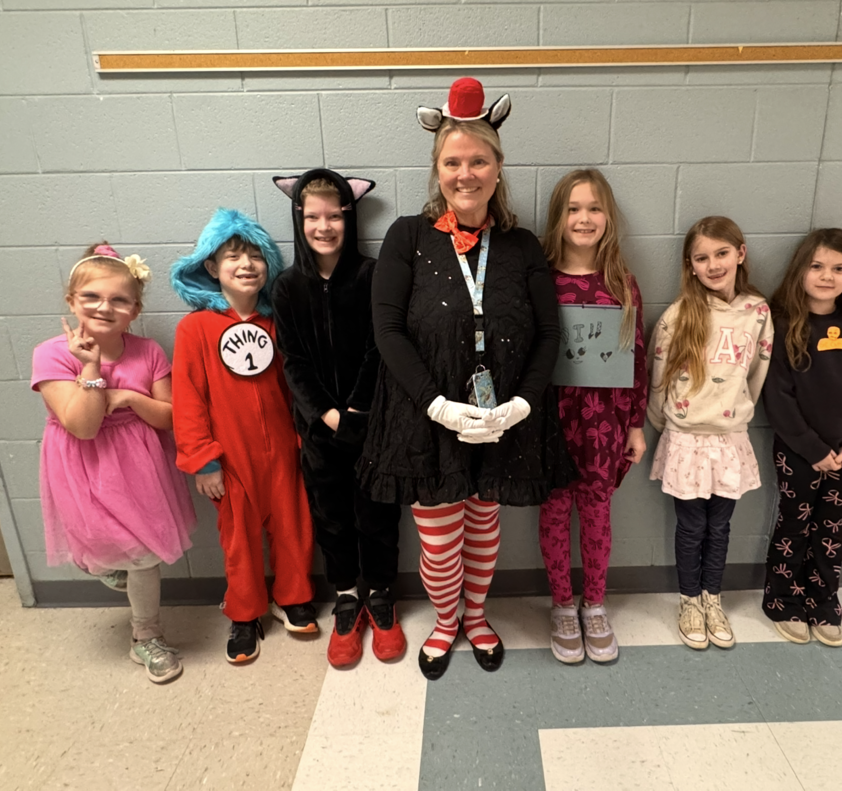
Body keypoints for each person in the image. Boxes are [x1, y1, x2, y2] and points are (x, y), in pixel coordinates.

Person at [357, 77, 575, 680]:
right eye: (453, 161)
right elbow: (388, 332)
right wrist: (438, 406)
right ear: (438, 169)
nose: (466, 173)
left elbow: (548, 335)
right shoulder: (406, 237)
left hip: (502, 417)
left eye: (479, 160)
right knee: (438, 535)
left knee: (484, 521)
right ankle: (445, 620)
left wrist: (523, 406)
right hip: (428, 419)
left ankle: (476, 616)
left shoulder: (522, 244)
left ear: (498, 168)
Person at [31, 243, 196, 683]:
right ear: (71, 301)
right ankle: (104, 566)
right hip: (83, 465)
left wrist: (127, 397)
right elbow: (82, 426)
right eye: (91, 297)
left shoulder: (149, 353)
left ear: (135, 309)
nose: (105, 307)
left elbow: (171, 417)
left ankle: (146, 637)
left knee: (143, 556)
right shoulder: (51, 354)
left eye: (119, 299)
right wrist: (91, 368)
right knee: (97, 549)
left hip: (139, 466)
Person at [271, 169, 405, 668]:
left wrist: (357, 412)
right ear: (299, 219)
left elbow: (379, 348)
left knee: (378, 516)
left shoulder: (371, 276)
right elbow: (294, 362)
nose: (323, 226)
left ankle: (382, 597)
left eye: (334, 216)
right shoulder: (287, 287)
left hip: (373, 427)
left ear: (349, 217)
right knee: (333, 519)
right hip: (319, 432)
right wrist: (327, 417)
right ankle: (347, 597)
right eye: (312, 217)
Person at [170, 208, 316, 664]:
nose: (246, 264)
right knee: (239, 538)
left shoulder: (278, 323)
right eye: (233, 256)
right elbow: (188, 398)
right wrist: (203, 460)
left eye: (255, 254)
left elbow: (295, 386)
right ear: (211, 267)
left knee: (294, 527)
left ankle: (293, 596)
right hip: (230, 458)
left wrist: (303, 442)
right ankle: (245, 611)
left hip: (283, 451)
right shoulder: (195, 328)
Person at [647, 216, 773, 651]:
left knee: (720, 527)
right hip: (685, 439)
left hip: (730, 437)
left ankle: (711, 597)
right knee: (690, 526)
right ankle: (688, 601)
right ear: (691, 265)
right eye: (702, 257)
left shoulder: (757, 313)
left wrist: (734, 414)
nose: (713, 264)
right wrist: (669, 425)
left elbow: (757, 374)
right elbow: (657, 376)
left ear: (740, 254)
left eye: (722, 253)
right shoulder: (679, 316)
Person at [537, 170, 647, 665]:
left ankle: (594, 603)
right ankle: (562, 604)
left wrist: (638, 423)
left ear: (609, 218)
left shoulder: (622, 282)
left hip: (606, 422)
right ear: (559, 217)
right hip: (552, 419)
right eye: (574, 208)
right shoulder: (539, 279)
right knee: (556, 511)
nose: (584, 218)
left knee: (598, 512)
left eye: (595, 208)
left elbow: (637, 355)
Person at [761, 229, 842, 648]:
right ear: (801, 270)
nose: (826, 276)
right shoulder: (782, 326)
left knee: (830, 528)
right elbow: (776, 396)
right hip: (799, 451)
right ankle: (783, 600)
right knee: (794, 523)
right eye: (817, 266)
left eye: (839, 268)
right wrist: (811, 448)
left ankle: (824, 599)